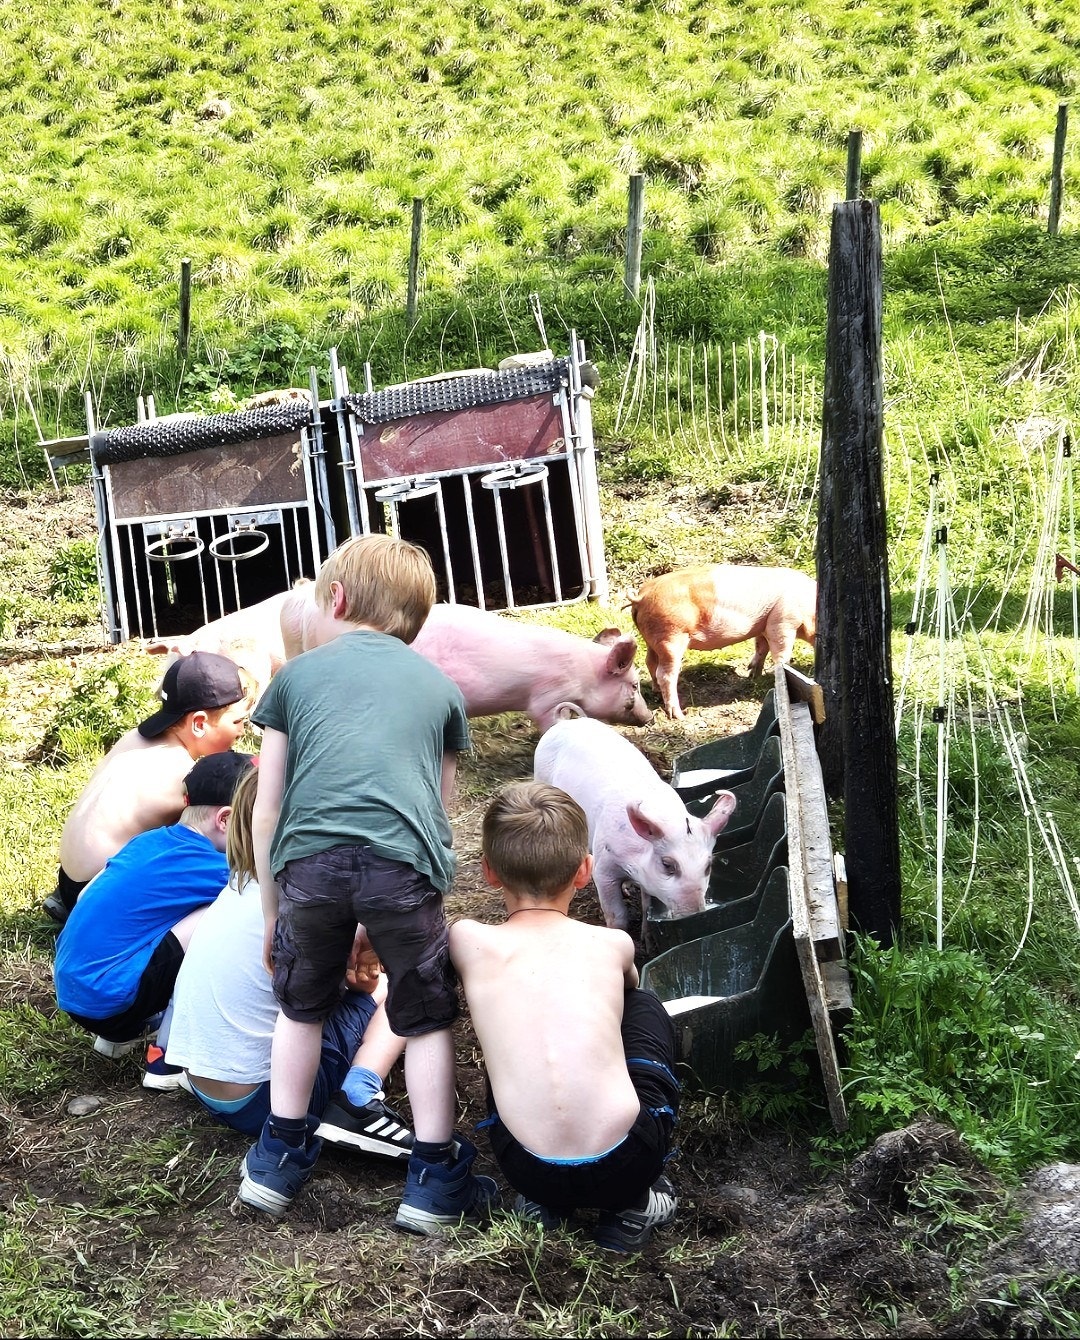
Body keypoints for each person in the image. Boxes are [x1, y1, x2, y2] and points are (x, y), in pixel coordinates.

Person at [234, 533, 496, 1233]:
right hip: (402, 869)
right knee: (425, 1015)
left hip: (308, 868)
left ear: (339, 598)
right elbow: (438, 812)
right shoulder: (441, 689)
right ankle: (433, 1179)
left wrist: (273, 912)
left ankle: (277, 1158)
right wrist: (398, 909)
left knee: (302, 1007)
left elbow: (268, 808)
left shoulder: (294, 680)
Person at [449, 780, 681, 1253]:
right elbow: (628, 992)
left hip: (527, 1170)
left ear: (489, 871)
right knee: (642, 1005)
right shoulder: (612, 944)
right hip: (629, 1162)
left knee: (509, 1031)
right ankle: (634, 1208)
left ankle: (545, 1207)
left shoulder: (467, 940)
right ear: (585, 871)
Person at [165, 765, 413, 1158]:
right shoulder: (310, 907)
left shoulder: (237, 886)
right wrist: (368, 979)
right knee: (403, 984)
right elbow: (344, 989)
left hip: (205, 1085)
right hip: (268, 1101)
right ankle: (358, 1095)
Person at [53, 750, 255, 1089]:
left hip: (75, 992)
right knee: (226, 912)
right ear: (225, 820)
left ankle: (118, 1038)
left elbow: (87, 893)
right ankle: (167, 1058)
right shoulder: (213, 866)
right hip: (113, 1003)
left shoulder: (148, 840)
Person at [45, 650, 252, 927]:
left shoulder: (137, 738)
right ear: (199, 723)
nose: (242, 731)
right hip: (98, 894)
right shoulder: (181, 776)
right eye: (237, 722)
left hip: (70, 877)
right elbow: (215, 835)